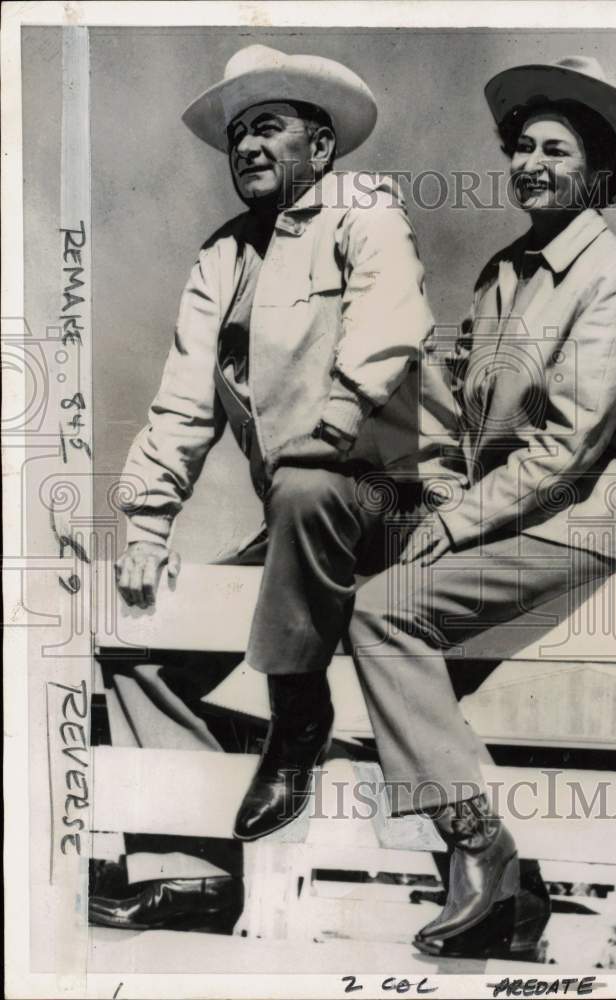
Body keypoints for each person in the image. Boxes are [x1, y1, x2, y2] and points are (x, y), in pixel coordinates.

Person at [97, 43, 461, 931]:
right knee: (143, 644)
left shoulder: (363, 213)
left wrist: (332, 427)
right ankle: (190, 870)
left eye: (271, 128)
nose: (249, 148)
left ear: (322, 147)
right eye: (237, 136)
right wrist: (144, 521)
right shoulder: (219, 259)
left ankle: (298, 729)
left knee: (305, 487)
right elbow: (185, 399)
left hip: (397, 498)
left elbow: (389, 322)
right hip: (301, 515)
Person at [348, 55, 616, 953]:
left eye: (554, 149)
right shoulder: (501, 272)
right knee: (332, 573)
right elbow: (455, 414)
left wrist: (452, 520)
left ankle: (485, 857)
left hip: (578, 522)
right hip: (500, 514)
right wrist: (437, 485)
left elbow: (569, 451)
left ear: (595, 172)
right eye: (520, 146)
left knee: (383, 614)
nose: (530, 162)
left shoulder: (613, 277)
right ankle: (507, 902)